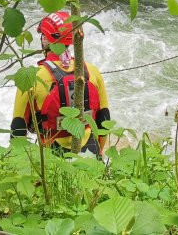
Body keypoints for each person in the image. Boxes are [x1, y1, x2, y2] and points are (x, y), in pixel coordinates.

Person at [10, 11, 111, 155]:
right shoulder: (92, 71)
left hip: (51, 157)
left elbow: (18, 127)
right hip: (91, 152)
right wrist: (99, 153)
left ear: (45, 39)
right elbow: (104, 118)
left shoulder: (32, 76)